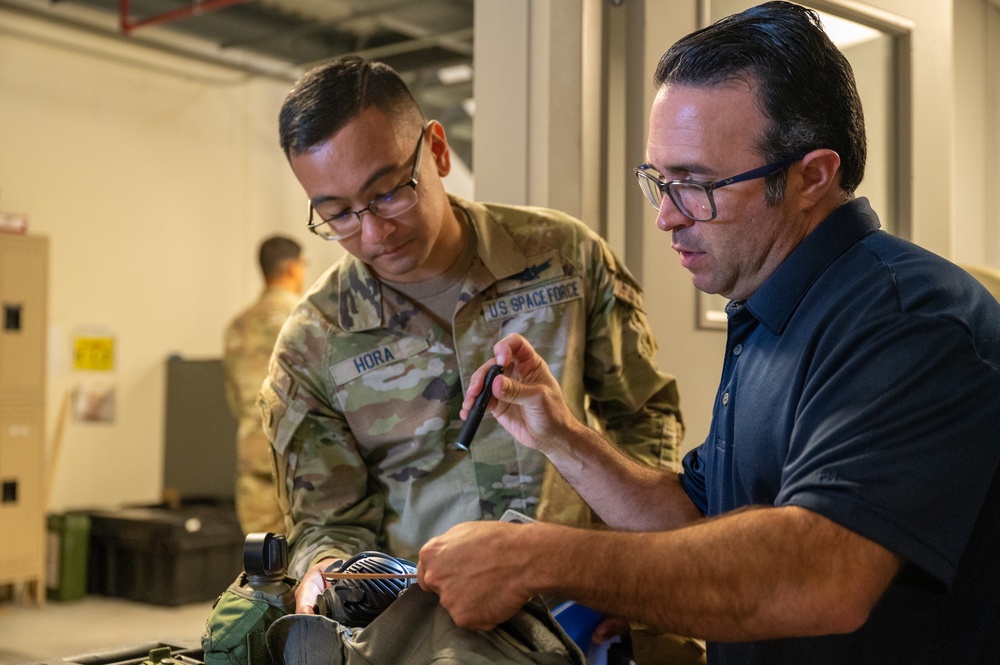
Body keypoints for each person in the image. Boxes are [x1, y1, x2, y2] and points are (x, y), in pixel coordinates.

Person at [416, 3, 1000, 663]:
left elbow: (820, 575)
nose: (666, 216)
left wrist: (538, 558)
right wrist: (561, 435)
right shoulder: (767, 305)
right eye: (658, 181)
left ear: (811, 176)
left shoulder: (909, 318)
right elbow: (700, 520)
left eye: (696, 186)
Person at [261, 55, 683, 615]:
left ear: (436, 149)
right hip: (427, 629)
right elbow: (328, 521)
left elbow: (644, 417)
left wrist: (631, 565)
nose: (373, 231)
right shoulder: (312, 342)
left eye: (388, 191)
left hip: (584, 603)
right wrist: (323, 571)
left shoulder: (564, 257)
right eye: (337, 214)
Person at [223, 235, 305, 535]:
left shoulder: (238, 325)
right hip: (300, 459)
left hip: (253, 456)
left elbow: (234, 396)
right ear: (294, 268)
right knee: (308, 565)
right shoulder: (307, 318)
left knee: (262, 565)